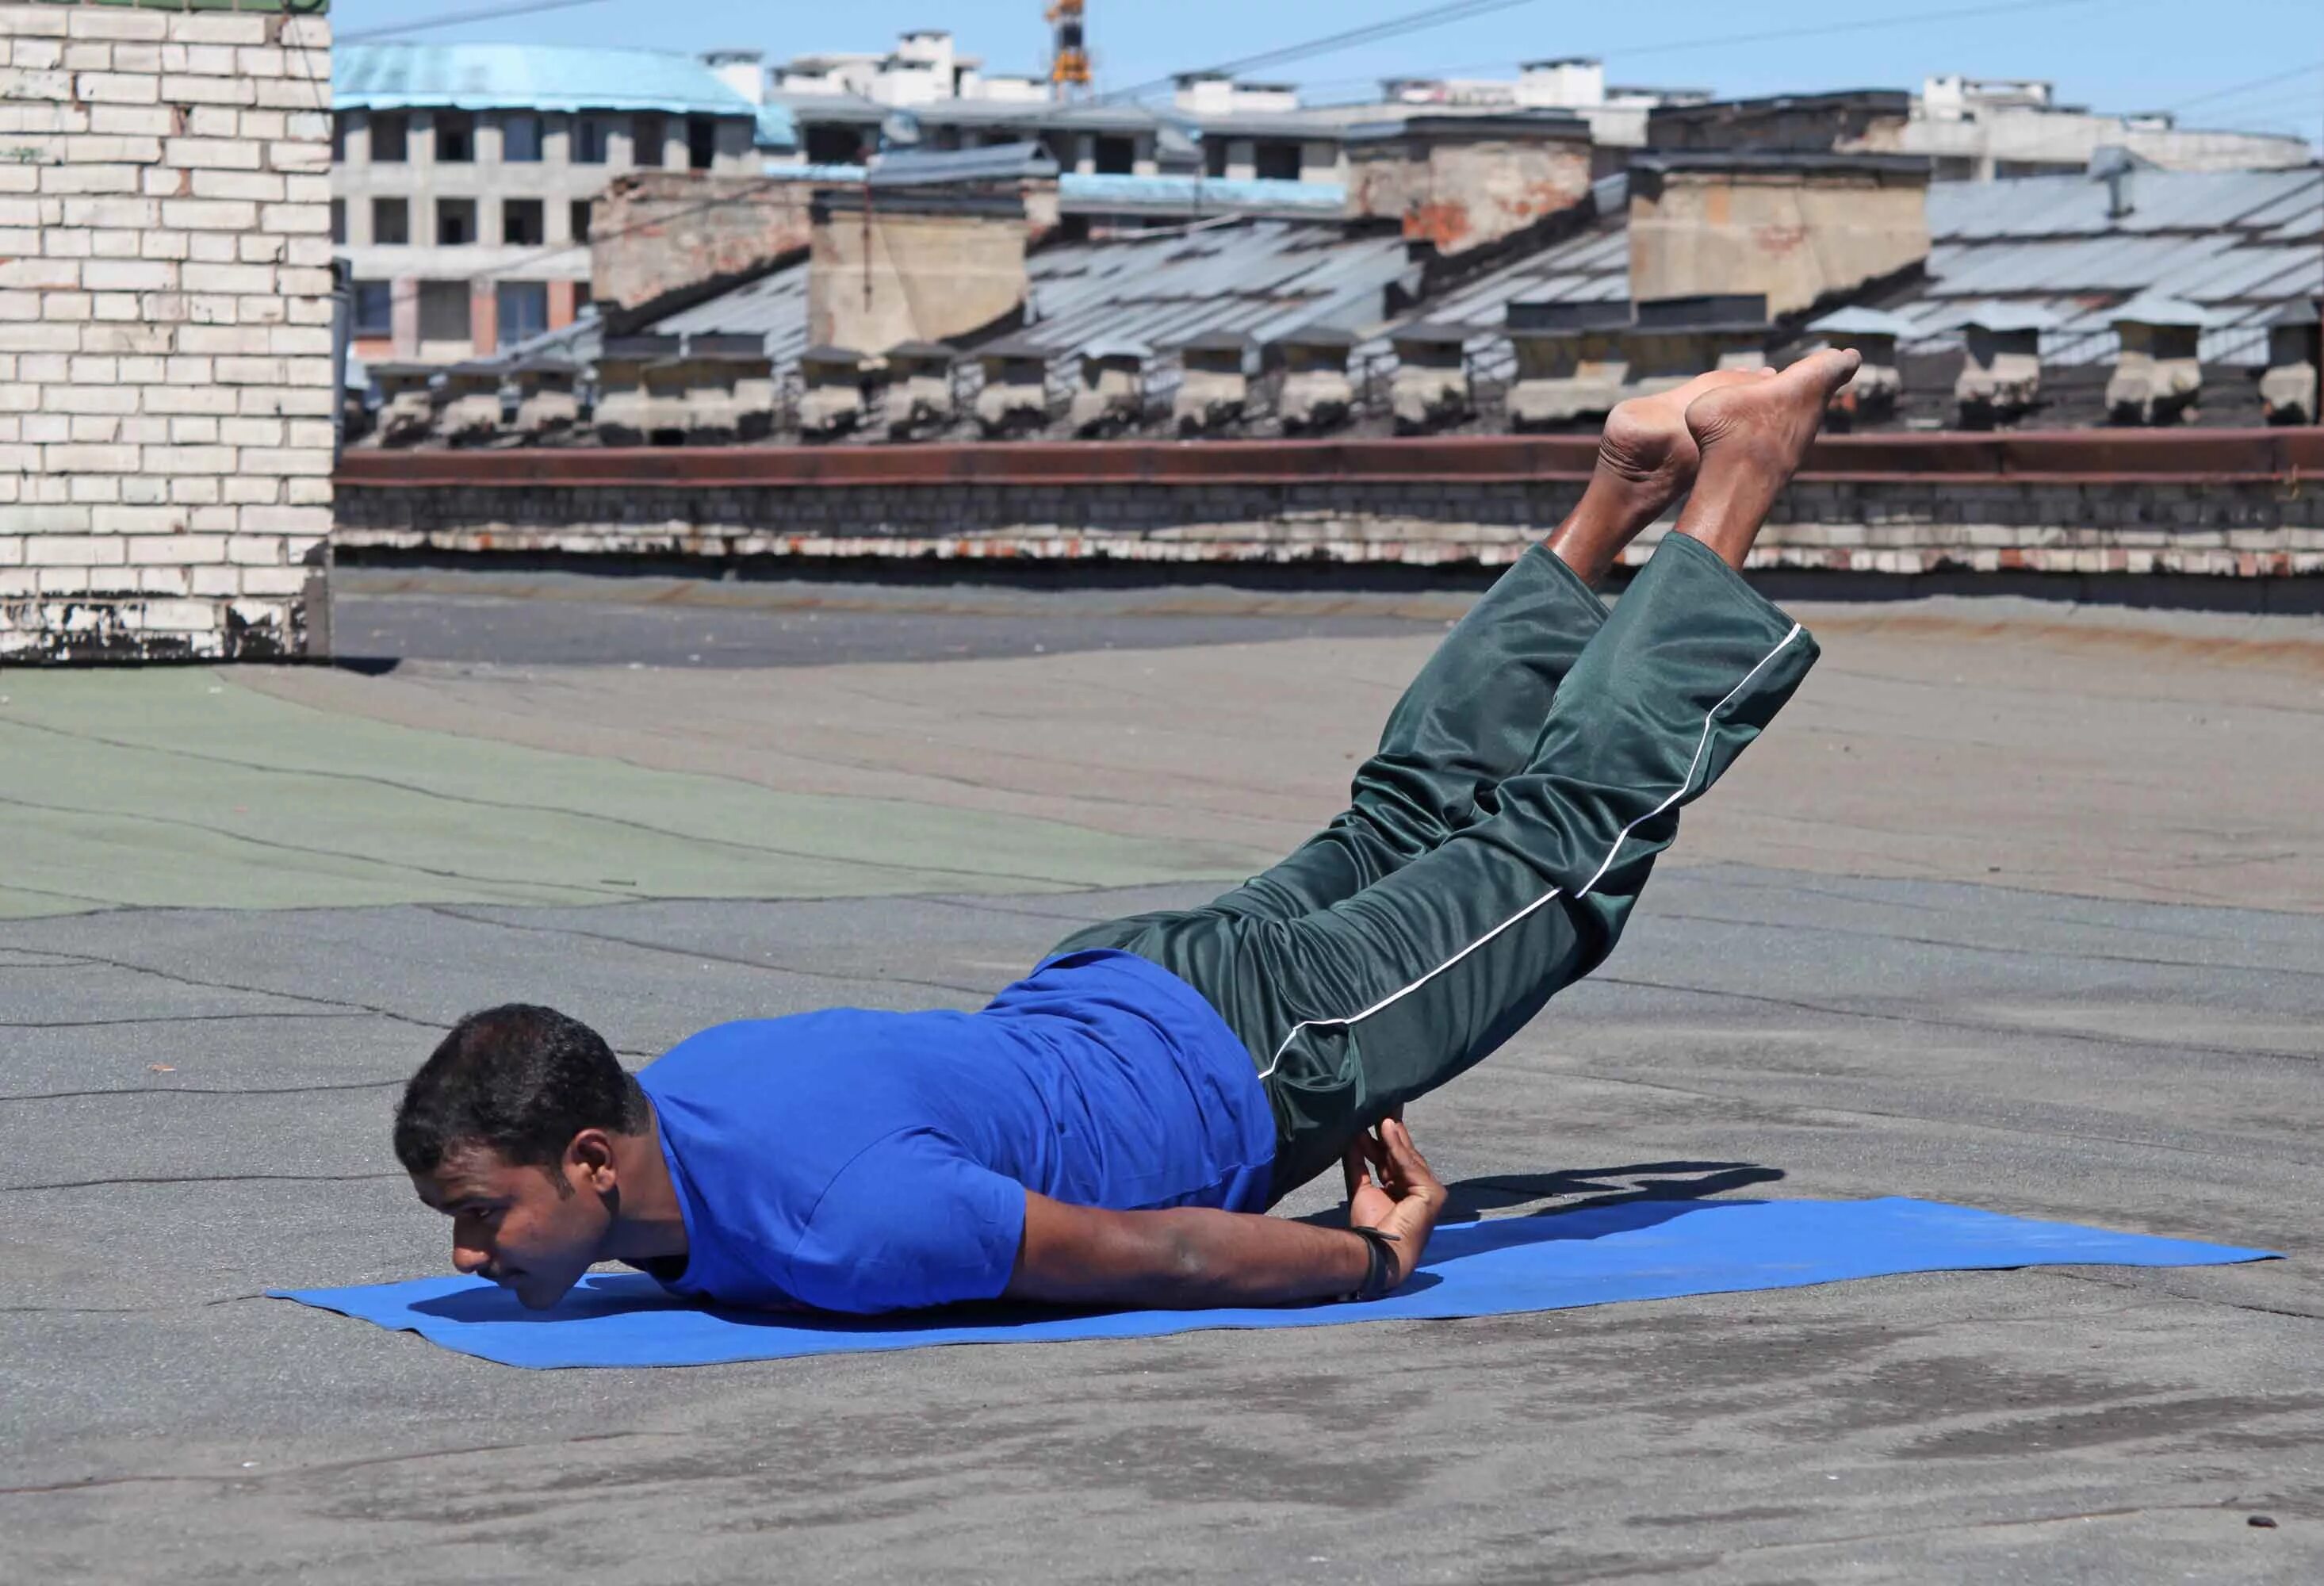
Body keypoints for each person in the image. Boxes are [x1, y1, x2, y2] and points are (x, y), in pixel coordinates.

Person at [396, 348, 1863, 1317]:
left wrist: (1365, 1259)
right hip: (1126, 981)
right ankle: (1619, 482)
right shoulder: (693, 1091)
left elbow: (1156, 1252)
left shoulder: (852, 1224)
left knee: (1560, 853)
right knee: (1406, 815)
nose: (466, 1254)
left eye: (482, 1215)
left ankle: (1736, 470)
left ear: (594, 1157)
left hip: (1264, 1048)